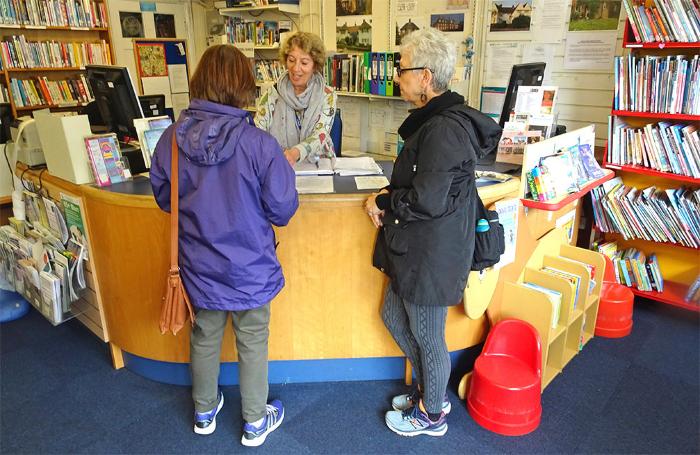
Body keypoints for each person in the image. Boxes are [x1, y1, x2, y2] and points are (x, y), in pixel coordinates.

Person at [149, 44, 298, 447]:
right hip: (250, 264)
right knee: (253, 339)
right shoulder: (260, 144)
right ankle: (254, 422)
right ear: (243, 87)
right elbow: (283, 209)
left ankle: (203, 410)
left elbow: (165, 197)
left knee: (204, 335)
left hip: (197, 263)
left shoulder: (171, 139)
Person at [364, 28, 502, 437]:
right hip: (415, 245)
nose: (397, 78)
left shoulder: (444, 128)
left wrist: (386, 202)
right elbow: (425, 185)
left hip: (432, 251)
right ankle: (432, 391)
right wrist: (389, 194)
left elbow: (427, 199)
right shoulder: (434, 122)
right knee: (392, 315)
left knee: (428, 335)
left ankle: (432, 414)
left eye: (402, 69)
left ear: (425, 77)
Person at [255, 31, 337, 166]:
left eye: (304, 63)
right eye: (291, 60)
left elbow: (320, 134)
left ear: (315, 65)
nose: (295, 68)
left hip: (317, 164)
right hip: (278, 164)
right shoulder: (272, 93)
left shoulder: (327, 95)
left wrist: (295, 153)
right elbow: (258, 131)